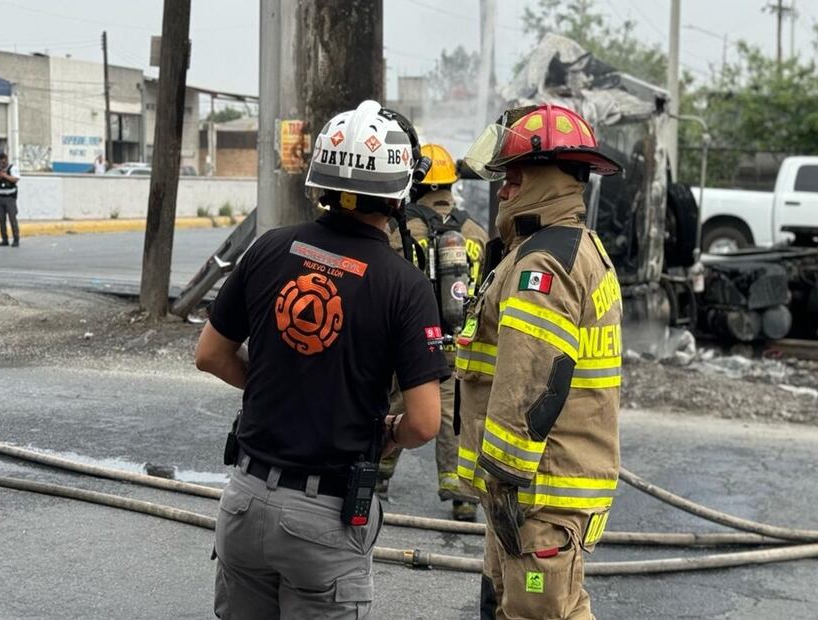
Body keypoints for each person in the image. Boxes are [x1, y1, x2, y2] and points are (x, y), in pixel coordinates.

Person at [195, 99, 447, 619]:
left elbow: (210, 355)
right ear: (400, 192)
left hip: (242, 502)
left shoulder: (268, 248)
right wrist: (387, 431)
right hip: (324, 519)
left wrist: (276, 386)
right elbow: (424, 422)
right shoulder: (404, 285)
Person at [456, 103, 624, 620]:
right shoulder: (572, 248)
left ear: (541, 181)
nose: (503, 191)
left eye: (512, 178)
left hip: (535, 492)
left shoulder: (542, 266)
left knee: (537, 613)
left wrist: (503, 480)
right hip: (542, 487)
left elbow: (528, 381)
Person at [377, 142, 488, 522]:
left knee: (396, 404)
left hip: (409, 339)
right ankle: (462, 499)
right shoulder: (475, 231)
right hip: (459, 340)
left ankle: (375, 478)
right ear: (451, 186)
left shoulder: (398, 228)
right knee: (454, 415)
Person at [0, 152, 21, 247]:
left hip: (10, 198)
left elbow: (15, 179)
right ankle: (4, 239)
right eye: (1, 161)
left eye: (4, 161)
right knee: (1, 219)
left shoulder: (12, 168)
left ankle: (16, 239)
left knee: (12, 218)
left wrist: (4, 176)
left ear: (6, 160)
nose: (2, 163)